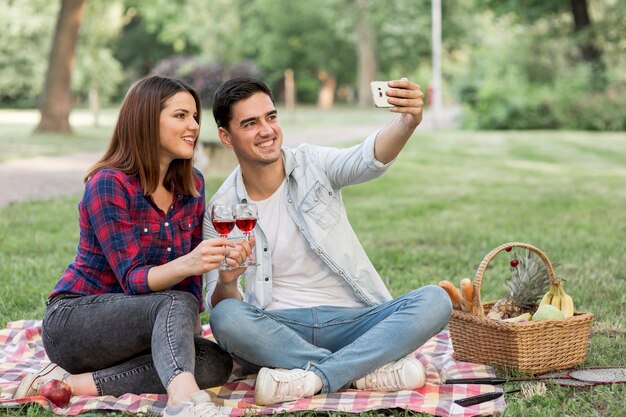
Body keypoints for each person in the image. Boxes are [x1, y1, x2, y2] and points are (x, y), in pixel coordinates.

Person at [203, 77, 452, 406]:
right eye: (250, 123)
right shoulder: (220, 212)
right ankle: (364, 370)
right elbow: (218, 301)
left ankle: (312, 375)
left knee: (436, 300)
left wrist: (408, 121)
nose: (266, 130)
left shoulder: (313, 164)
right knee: (225, 318)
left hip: (353, 320)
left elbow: (368, 159)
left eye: (271, 117)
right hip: (280, 328)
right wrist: (228, 281)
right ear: (226, 136)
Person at [13, 75, 252, 417]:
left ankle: (72, 384)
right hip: (77, 324)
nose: (194, 126)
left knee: (214, 362)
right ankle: (182, 400)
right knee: (175, 303)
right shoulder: (109, 183)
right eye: (181, 116)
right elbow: (134, 280)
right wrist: (192, 262)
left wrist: (226, 277)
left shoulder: (192, 185)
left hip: (144, 329)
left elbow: (188, 293)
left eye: (195, 117)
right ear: (146, 118)